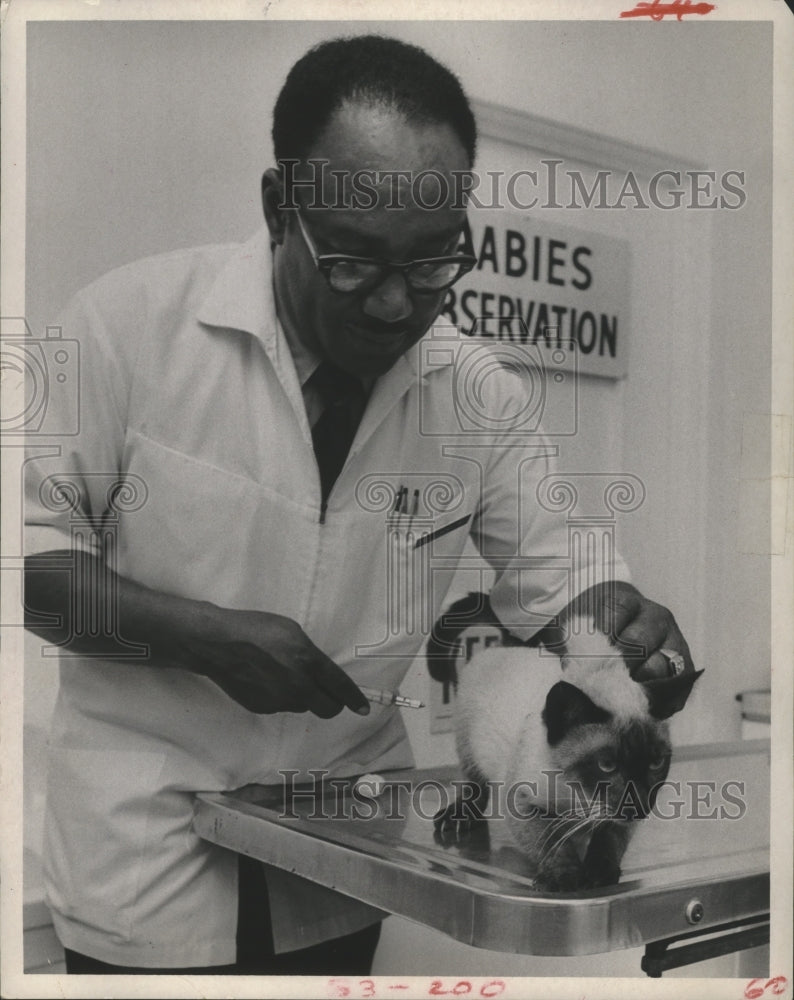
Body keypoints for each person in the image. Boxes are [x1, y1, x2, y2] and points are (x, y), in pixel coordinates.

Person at [23, 34, 696, 976]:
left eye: (431, 265)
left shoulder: (478, 395)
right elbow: (32, 571)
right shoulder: (124, 330)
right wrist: (203, 636)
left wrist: (626, 620)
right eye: (352, 261)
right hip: (142, 856)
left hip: (346, 857)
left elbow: (560, 582)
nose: (393, 305)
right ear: (277, 207)